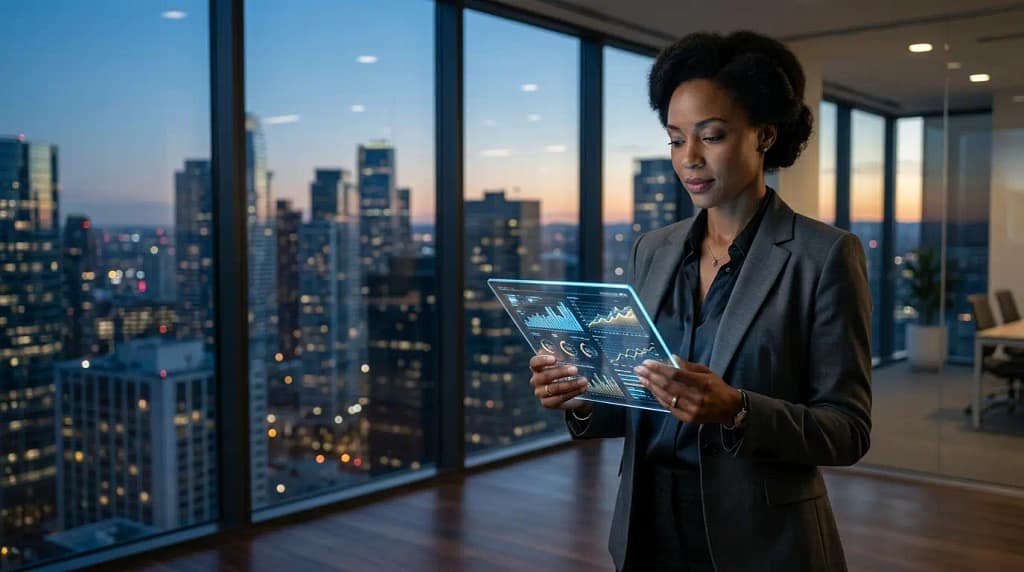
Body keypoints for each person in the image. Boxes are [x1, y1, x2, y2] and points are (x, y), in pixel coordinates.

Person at [528, 31, 872, 572]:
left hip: (762, 540)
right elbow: (644, 403)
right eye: (674, 139)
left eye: (710, 136)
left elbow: (848, 430)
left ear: (764, 134)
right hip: (648, 526)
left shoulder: (824, 256)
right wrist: (584, 396)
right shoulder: (653, 250)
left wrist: (737, 410)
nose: (689, 159)